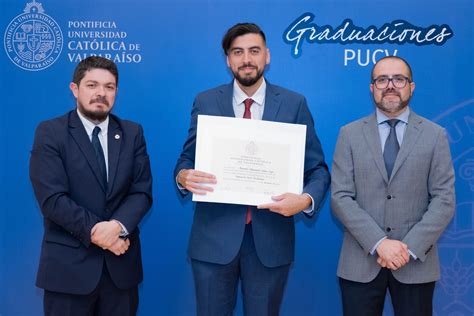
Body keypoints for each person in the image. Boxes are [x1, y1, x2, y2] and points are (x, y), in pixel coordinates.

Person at [174, 23, 330, 315]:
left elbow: (318, 170)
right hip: (213, 241)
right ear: (228, 60)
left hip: (270, 243)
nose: (247, 59)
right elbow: (186, 160)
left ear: (267, 56)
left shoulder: (294, 104)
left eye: (254, 51)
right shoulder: (206, 101)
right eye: (238, 52)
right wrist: (183, 177)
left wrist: (305, 200)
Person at [331, 56, 455, 316]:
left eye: (398, 79)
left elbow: (444, 200)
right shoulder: (349, 134)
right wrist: (379, 243)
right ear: (371, 87)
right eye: (381, 79)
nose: (390, 85)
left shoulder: (435, 135)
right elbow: (340, 197)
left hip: (415, 264)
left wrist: (406, 249)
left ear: (411, 86)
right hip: (360, 263)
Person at [29, 56, 153, 316]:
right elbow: (52, 199)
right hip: (68, 273)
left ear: (117, 92)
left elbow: (141, 193)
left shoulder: (132, 133)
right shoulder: (50, 132)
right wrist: (100, 234)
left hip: (121, 271)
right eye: (92, 85)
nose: (101, 93)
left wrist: (117, 227)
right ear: (75, 89)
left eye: (109, 87)